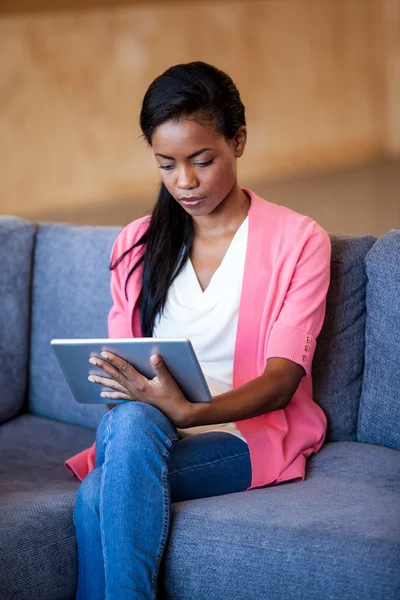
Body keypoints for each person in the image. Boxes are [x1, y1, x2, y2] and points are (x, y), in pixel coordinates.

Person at [67, 61, 331, 600]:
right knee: (136, 418)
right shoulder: (137, 244)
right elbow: (123, 364)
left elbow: (283, 381)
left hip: (243, 433)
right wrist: (131, 390)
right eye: (166, 165)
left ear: (238, 141)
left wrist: (194, 413)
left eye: (201, 161)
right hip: (148, 430)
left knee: (101, 493)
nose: (183, 182)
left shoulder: (299, 241)